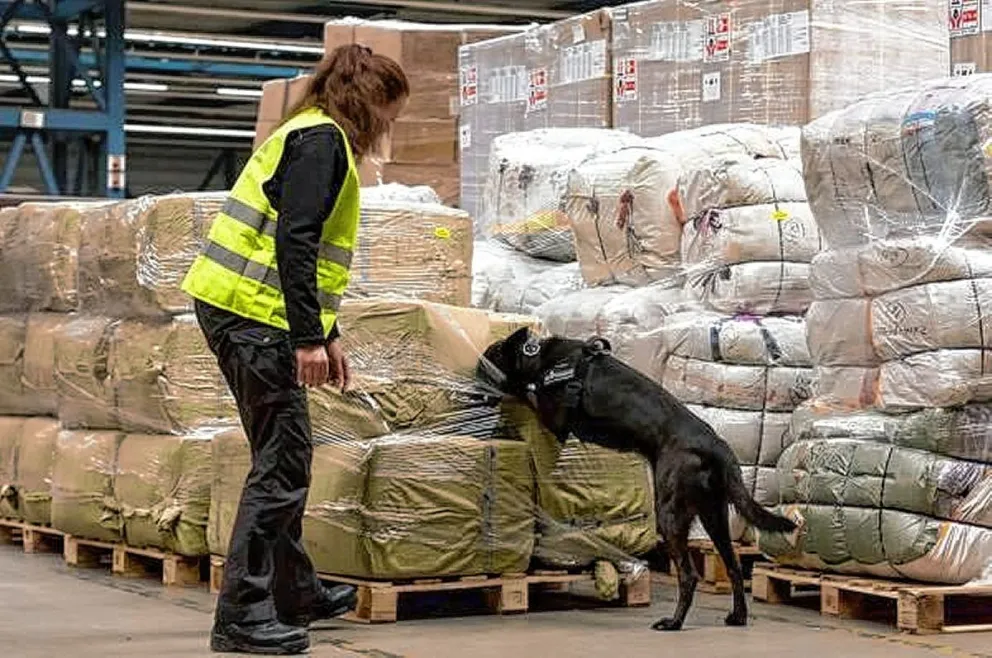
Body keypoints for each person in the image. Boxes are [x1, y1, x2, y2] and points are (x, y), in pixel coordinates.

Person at [181, 44, 409, 655]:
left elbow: (304, 250)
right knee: (282, 464)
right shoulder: (322, 143)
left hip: (244, 310)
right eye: (388, 110)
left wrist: (327, 334)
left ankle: (295, 588)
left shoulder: (309, 134)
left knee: (281, 454)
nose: (389, 124)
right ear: (367, 100)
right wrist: (307, 337)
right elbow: (296, 242)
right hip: (253, 316)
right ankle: (242, 618)